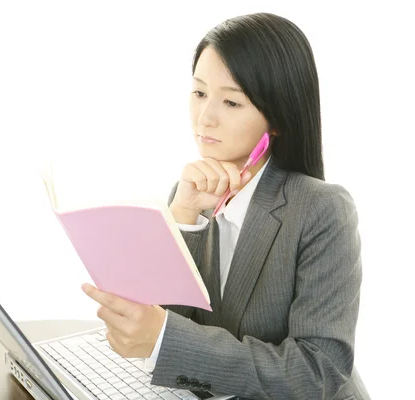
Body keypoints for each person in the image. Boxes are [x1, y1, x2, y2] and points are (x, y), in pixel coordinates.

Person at [82, 12, 370, 399]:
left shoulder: (321, 209)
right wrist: (183, 218)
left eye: (231, 102)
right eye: (199, 93)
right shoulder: (189, 193)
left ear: (277, 120)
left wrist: (163, 338)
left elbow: (317, 370)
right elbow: (162, 324)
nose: (205, 117)